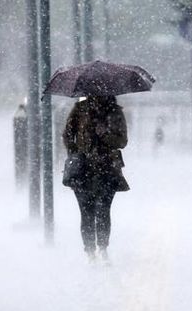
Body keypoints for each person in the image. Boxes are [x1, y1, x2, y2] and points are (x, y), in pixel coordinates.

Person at [63, 95, 129, 263]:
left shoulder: (115, 112)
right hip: (83, 169)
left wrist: (105, 134)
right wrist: (76, 152)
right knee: (86, 212)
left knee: (103, 211)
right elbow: (67, 134)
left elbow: (122, 141)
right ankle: (90, 251)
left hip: (107, 168)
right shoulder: (80, 109)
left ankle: (102, 248)